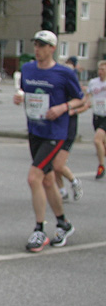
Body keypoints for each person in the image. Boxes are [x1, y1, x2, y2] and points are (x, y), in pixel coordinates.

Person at [13, 30, 83, 252]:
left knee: (34, 177)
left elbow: (79, 99)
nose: (38, 49)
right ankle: (63, 223)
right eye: (36, 44)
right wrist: (19, 97)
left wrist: (63, 107)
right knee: (47, 180)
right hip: (36, 130)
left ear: (52, 48)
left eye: (43, 45)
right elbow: (26, 91)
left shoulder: (64, 73)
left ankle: (39, 230)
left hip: (56, 133)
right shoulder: (28, 69)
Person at [54, 56, 86, 202]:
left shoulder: (73, 89)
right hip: (55, 127)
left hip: (68, 128)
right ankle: (61, 191)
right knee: (52, 164)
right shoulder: (57, 88)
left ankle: (74, 182)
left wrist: (72, 110)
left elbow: (83, 103)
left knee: (58, 164)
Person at [87, 60, 106, 179]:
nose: (100, 72)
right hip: (97, 115)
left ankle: (101, 166)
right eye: (99, 69)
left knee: (97, 140)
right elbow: (88, 96)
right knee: (102, 144)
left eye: (103, 70)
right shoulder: (93, 82)